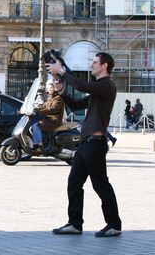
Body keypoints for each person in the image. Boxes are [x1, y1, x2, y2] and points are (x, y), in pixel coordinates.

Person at [46, 52, 122, 238]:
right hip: (85, 143)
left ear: (104, 66)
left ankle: (114, 224)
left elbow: (81, 85)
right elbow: (76, 105)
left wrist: (62, 71)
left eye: (95, 62)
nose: (91, 65)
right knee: (74, 182)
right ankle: (75, 223)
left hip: (95, 144)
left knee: (101, 185)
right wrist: (62, 92)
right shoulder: (98, 90)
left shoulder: (106, 86)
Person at [31, 81, 65, 150]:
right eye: (49, 88)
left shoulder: (58, 98)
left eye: (51, 88)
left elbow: (53, 109)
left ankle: (38, 144)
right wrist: (36, 108)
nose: (50, 90)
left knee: (36, 125)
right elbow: (45, 105)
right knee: (33, 123)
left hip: (55, 121)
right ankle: (43, 142)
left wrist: (40, 111)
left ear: (54, 88)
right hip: (49, 119)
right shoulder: (50, 97)